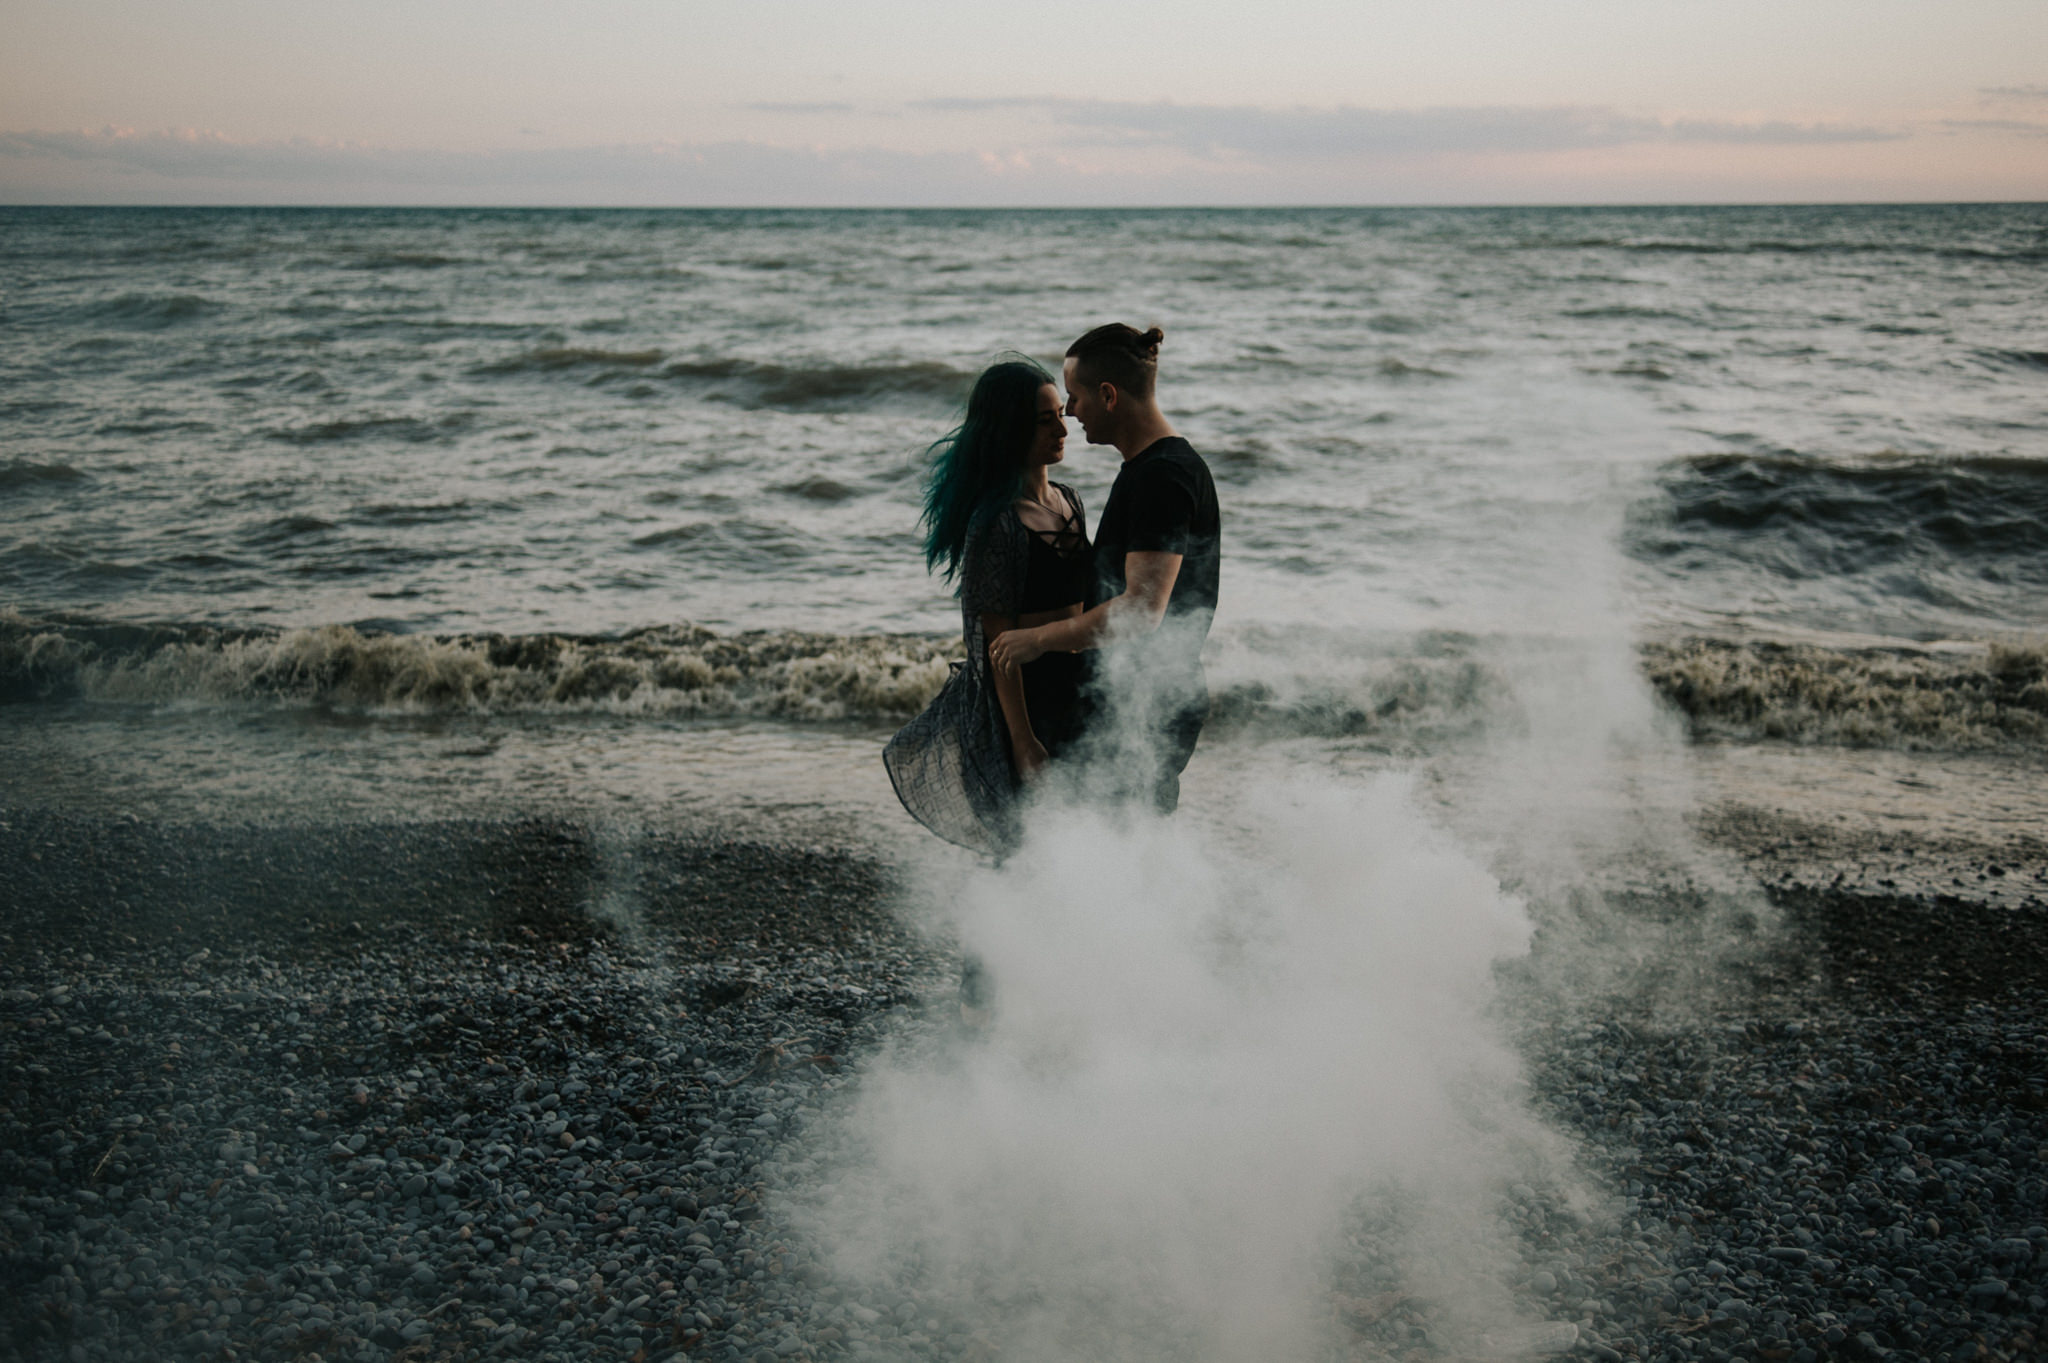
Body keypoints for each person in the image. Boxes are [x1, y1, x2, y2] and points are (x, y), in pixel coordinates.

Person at [989, 324, 1220, 813]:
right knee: (1117, 851)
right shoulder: (1150, 469)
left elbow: (1141, 609)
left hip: (1146, 705)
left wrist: (1036, 640)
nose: (1070, 414)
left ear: (1109, 395)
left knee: (1118, 851)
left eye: (1073, 397)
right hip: (1139, 698)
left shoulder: (1162, 476)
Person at [883, 357, 1093, 855]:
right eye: (1046, 420)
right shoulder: (995, 523)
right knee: (1031, 843)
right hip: (1031, 701)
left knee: (1080, 833)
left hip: (1078, 692)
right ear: (1010, 429)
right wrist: (1021, 740)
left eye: (1061, 414)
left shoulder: (1071, 501)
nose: (1062, 428)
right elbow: (994, 644)